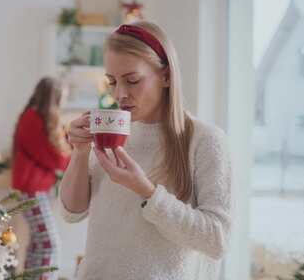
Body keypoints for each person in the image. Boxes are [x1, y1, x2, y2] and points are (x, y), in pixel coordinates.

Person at [59, 21, 232, 279]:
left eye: (132, 80)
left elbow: (216, 240)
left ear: (166, 76)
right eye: (112, 82)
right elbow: (71, 213)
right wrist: (81, 152)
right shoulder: (113, 131)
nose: (120, 94)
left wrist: (146, 191)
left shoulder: (206, 140)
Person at [12, 77, 71, 279]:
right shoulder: (32, 119)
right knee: (49, 243)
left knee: (39, 243)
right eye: (62, 98)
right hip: (30, 189)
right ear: (53, 97)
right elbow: (54, 158)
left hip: (35, 189)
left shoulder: (34, 118)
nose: (63, 103)